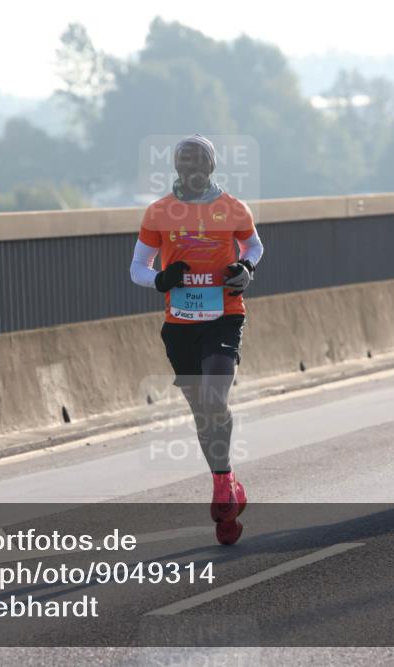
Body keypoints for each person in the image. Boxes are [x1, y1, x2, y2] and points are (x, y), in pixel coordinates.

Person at [130, 135, 264, 545]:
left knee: (216, 396)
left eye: (199, 162)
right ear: (175, 168)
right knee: (203, 410)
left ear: (212, 167)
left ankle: (222, 489)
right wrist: (160, 279)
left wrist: (245, 268)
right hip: (180, 324)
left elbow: (253, 245)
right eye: (184, 162)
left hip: (224, 317)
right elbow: (138, 266)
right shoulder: (158, 213)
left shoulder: (234, 208)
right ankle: (227, 482)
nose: (191, 169)